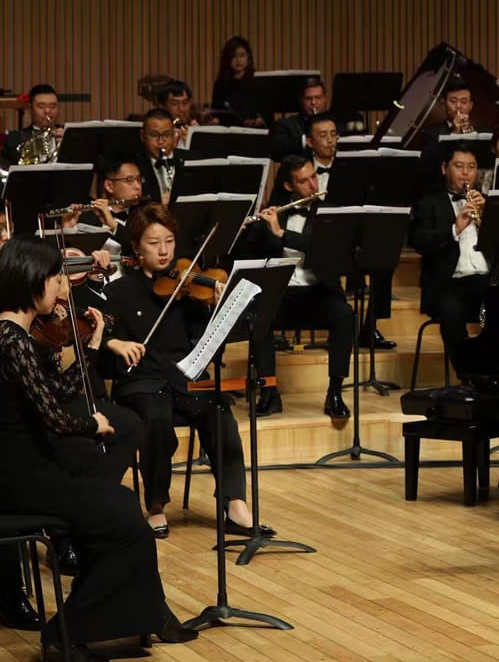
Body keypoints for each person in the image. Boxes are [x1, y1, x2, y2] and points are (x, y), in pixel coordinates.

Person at [0, 234, 197, 658]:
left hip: (31, 466)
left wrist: (91, 344)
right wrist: (92, 424)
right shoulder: (10, 339)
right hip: (22, 477)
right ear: (33, 279)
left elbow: (56, 390)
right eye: (57, 278)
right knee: (126, 525)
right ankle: (68, 632)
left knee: (119, 508)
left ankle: (139, 615)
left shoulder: (16, 336)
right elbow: (54, 416)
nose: (63, 287)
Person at [103, 203, 272, 540]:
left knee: (220, 412)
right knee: (156, 418)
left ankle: (235, 503)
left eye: (169, 241)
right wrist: (115, 343)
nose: (164, 250)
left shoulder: (190, 292)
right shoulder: (119, 292)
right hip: (141, 384)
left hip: (186, 381)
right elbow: (101, 339)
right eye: (153, 243)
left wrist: (218, 309)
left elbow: (212, 348)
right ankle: (155, 505)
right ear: (136, 247)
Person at [246, 156, 353, 419]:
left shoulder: (329, 213)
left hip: (320, 293)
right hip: (283, 294)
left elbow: (323, 249)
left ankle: (335, 392)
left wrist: (283, 235)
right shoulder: (274, 214)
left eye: (313, 177)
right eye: (304, 181)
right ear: (288, 186)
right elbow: (251, 254)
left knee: (344, 315)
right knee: (258, 315)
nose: (313, 185)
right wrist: (254, 227)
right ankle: (269, 392)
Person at [409, 142, 487, 375]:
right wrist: (455, 228)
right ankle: (469, 376)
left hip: (484, 280)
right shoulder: (428, 204)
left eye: (471, 167)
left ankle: (497, 371)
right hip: (447, 284)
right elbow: (419, 241)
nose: (466, 173)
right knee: (452, 312)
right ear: (445, 168)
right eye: (459, 166)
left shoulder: (487, 204)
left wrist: (489, 219)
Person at [2, 84, 62, 167]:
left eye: (52, 106)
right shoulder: (14, 139)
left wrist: (69, 144)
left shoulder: (68, 134)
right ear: (31, 108)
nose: (47, 111)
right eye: (41, 106)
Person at [270, 76, 328, 161]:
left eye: (318, 98)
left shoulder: (335, 123)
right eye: (308, 99)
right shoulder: (286, 125)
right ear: (301, 100)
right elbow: (277, 150)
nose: (313, 102)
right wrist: (306, 139)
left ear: (325, 99)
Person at [210, 36, 263, 127]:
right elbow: (216, 112)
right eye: (233, 56)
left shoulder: (258, 82)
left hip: (255, 130)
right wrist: (215, 120)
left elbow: (265, 113)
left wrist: (257, 120)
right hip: (229, 131)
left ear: (248, 57)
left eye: (241, 55)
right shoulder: (220, 85)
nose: (238, 60)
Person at [136, 108, 177, 204]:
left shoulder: (191, 160)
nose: (161, 142)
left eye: (167, 135)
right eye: (154, 135)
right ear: (142, 136)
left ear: (174, 135)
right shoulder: (134, 165)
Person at [156, 80, 200, 145]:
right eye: (175, 103)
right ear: (163, 106)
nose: (181, 109)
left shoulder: (195, 129)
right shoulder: (156, 134)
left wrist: (197, 138)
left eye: (185, 103)